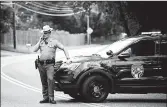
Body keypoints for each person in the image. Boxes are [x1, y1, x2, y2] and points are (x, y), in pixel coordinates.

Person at [30, 25, 71, 104]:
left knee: (50, 79)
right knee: (44, 81)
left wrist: (68, 58)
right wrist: (39, 41)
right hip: (41, 64)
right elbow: (34, 50)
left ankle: (51, 98)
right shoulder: (41, 42)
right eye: (43, 33)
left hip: (50, 65)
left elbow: (64, 48)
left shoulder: (54, 41)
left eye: (46, 33)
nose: (44, 34)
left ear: (49, 33)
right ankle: (45, 97)